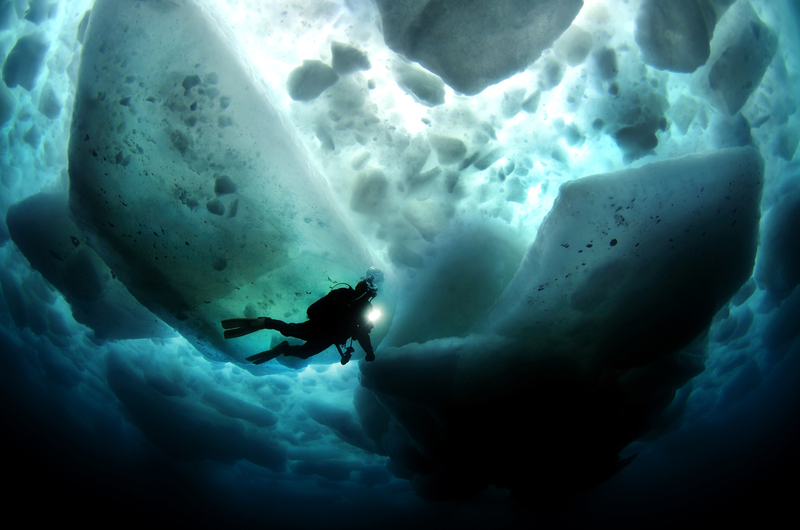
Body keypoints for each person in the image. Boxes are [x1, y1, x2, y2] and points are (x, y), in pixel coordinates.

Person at [221, 268, 384, 365]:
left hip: (328, 338)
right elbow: (314, 309)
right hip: (319, 327)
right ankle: (264, 322)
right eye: (363, 287)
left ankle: (283, 348)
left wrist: (369, 351)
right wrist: (340, 306)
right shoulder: (343, 293)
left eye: (368, 291)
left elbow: (363, 333)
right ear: (360, 286)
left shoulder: (367, 309)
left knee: (303, 353)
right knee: (289, 329)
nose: (364, 293)